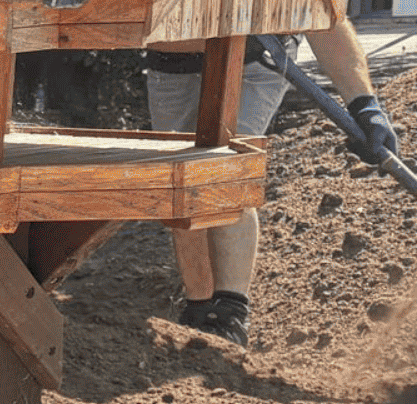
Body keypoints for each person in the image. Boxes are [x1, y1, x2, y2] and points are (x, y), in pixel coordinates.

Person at [144, 26, 400, 348]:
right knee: (182, 187)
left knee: (227, 170)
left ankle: (230, 314)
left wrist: (364, 104)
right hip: (170, 63)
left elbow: (325, 14)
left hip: (250, 58)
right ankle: (200, 309)